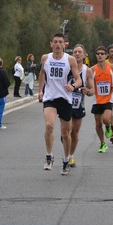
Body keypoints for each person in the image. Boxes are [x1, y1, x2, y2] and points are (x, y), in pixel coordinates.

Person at [38, 33, 82, 175]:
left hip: (65, 98)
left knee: (65, 133)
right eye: (55, 42)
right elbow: (42, 74)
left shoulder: (70, 60)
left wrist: (73, 86)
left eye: (60, 42)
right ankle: (49, 156)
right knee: (49, 125)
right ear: (51, 44)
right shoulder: (46, 58)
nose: (57, 44)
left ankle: (66, 159)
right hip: (50, 97)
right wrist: (40, 91)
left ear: (65, 45)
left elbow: (78, 80)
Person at [68, 45, 94, 167]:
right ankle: (66, 154)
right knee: (65, 132)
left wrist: (88, 91)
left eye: (80, 52)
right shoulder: (67, 68)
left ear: (84, 55)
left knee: (74, 132)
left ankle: (71, 156)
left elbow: (92, 89)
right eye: (75, 52)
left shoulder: (87, 71)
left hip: (79, 105)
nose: (77, 54)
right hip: (65, 103)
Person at [90, 46, 113, 154]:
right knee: (98, 124)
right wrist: (90, 90)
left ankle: (108, 127)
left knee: (106, 119)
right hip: (97, 100)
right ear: (96, 55)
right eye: (98, 54)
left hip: (108, 99)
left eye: (102, 53)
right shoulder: (92, 69)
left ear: (106, 55)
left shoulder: (112, 67)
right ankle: (102, 143)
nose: (100, 55)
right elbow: (89, 83)